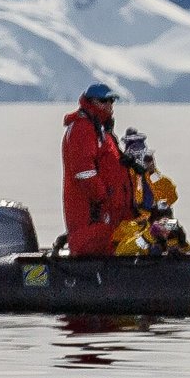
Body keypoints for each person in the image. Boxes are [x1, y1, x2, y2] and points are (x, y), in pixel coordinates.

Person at [59, 82, 132, 255]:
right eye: (104, 101)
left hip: (109, 216)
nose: (109, 105)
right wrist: (103, 198)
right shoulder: (82, 128)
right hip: (93, 217)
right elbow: (84, 172)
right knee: (95, 242)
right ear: (92, 102)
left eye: (112, 101)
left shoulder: (100, 129)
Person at [112, 129, 190, 256]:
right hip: (134, 226)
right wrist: (149, 235)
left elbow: (171, 196)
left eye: (145, 157)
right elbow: (121, 251)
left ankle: (174, 249)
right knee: (133, 242)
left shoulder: (154, 178)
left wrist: (152, 173)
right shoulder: (123, 178)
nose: (142, 161)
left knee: (170, 224)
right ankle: (152, 245)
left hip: (154, 222)